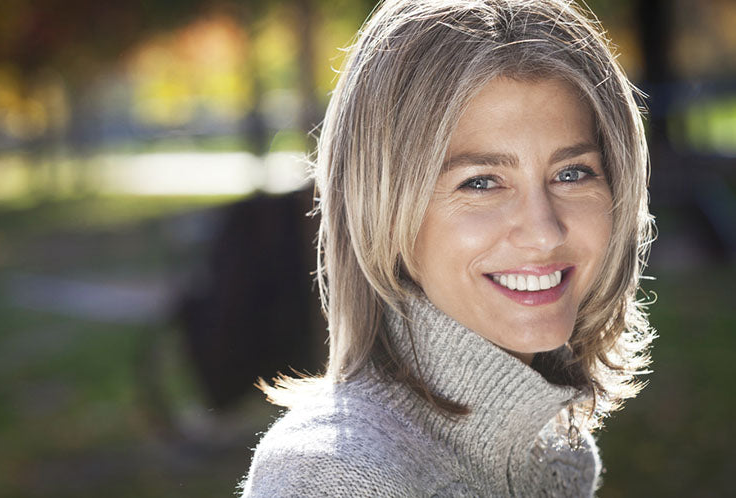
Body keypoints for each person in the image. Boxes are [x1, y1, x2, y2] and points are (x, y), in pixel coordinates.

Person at [241, 0, 655, 495]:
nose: (544, 232)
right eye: (481, 182)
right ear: (385, 208)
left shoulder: (556, 456)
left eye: (572, 173)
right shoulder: (335, 475)